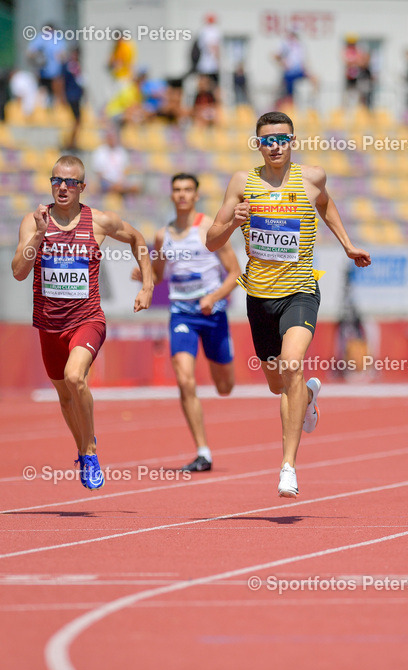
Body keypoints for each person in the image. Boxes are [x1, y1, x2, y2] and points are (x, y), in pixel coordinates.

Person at [206, 111, 372, 497]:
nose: (275, 145)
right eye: (267, 140)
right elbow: (212, 241)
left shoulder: (312, 177)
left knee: (292, 366)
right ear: (258, 144)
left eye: (282, 138)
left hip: (300, 291)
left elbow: (326, 205)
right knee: (277, 384)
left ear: (293, 140)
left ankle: (288, 467)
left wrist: (347, 244)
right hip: (259, 298)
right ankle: (309, 395)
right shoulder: (241, 183)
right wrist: (232, 223)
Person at [11, 156, 154, 490]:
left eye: (71, 182)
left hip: (87, 320)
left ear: (82, 187)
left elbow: (137, 240)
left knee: (76, 377)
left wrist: (147, 285)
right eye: (57, 181)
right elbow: (18, 271)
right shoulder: (34, 222)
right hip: (48, 326)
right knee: (64, 398)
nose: (63, 187)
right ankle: (82, 447)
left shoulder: (99, 222)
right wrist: (39, 236)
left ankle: (89, 452)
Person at [131, 173, 241, 472]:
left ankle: (205, 443)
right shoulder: (162, 235)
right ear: (171, 195)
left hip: (212, 313)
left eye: (187, 190)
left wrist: (213, 297)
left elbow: (235, 273)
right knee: (184, 379)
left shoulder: (208, 229)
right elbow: (158, 269)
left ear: (196, 196)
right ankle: (203, 451)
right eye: (177, 190)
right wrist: (144, 275)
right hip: (182, 314)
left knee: (225, 386)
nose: (182, 195)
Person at [26, 22, 66, 106]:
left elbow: (63, 54)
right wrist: (38, 55)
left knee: (57, 93)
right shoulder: (40, 38)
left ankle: (56, 110)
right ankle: (42, 110)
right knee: (43, 93)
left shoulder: (58, 38)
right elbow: (30, 52)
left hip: (56, 73)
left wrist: (61, 56)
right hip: (43, 72)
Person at [91, 127, 139, 196]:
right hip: (106, 181)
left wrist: (121, 182)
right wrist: (112, 183)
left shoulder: (121, 151)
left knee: (135, 187)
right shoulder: (100, 151)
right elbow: (99, 173)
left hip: (120, 181)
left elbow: (126, 170)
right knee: (115, 188)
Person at [275, 31, 308, 109]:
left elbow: (301, 60)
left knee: (315, 79)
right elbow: (276, 55)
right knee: (288, 93)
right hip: (289, 73)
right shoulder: (285, 44)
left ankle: (312, 101)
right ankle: (288, 106)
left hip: (297, 71)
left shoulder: (299, 46)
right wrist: (283, 63)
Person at [62, 47, 84, 150]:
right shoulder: (68, 66)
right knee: (76, 119)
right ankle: (70, 142)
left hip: (76, 96)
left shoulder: (77, 67)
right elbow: (61, 81)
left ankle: (73, 141)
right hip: (71, 96)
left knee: (78, 120)